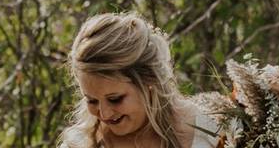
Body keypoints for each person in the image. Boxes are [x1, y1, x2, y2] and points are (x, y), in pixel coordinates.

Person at [59, 12, 220, 148]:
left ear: (149, 81)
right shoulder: (79, 143)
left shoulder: (206, 131)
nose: (105, 113)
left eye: (115, 99)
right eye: (91, 101)